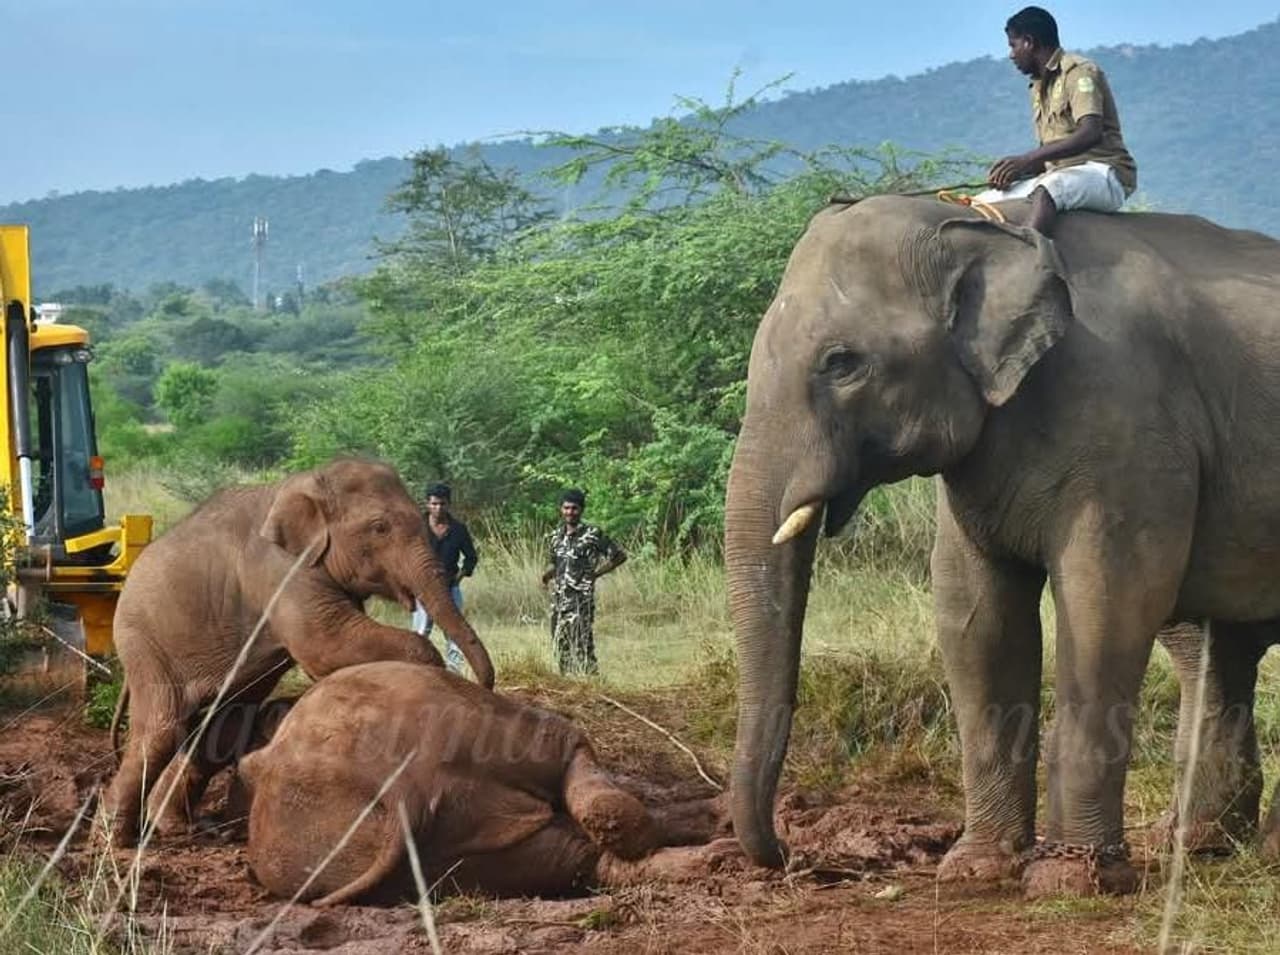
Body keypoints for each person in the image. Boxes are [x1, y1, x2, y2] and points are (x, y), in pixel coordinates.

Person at [973, 6, 1137, 234]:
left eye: (1013, 45)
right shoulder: (1037, 86)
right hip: (1060, 174)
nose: (1011, 54)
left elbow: (1090, 132)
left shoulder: (1078, 72)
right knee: (982, 202)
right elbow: (1052, 155)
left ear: (1029, 42)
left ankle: (1027, 250)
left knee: (1049, 189)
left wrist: (1026, 160)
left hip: (1103, 173)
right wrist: (1016, 172)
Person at [540, 488, 626, 676]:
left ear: (581, 510)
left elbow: (619, 556)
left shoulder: (592, 534)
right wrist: (547, 576)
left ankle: (591, 682)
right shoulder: (555, 536)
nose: (570, 512)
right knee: (559, 643)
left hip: (580, 600)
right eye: (566, 508)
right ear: (561, 509)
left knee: (581, 643)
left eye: (574, 508)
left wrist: (595, 574)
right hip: (559, 600)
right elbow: (559, 563)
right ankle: (567, 682)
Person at [410, 482, 477, 673]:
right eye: (434, 504)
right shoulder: (417, 527)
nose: (438, 508)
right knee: (421, 632)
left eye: (442, 504)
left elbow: (471, 557)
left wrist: (459, 578)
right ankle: (416, 671)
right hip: (423, 589)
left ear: (449, 504)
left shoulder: (458, 529)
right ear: (427, 504)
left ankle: (454, 674)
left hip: (449, 588)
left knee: (455, 633)